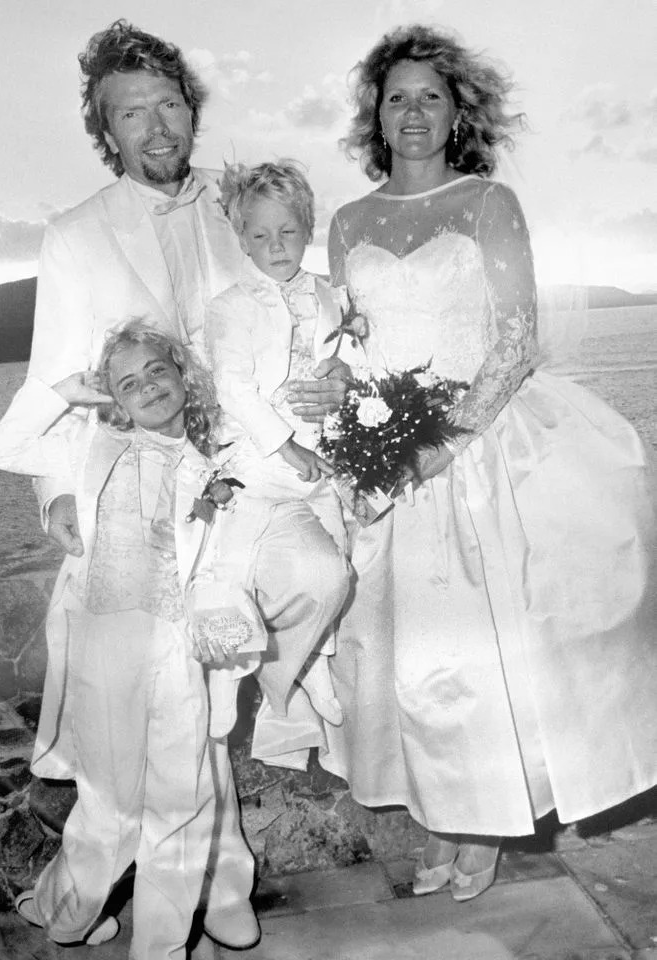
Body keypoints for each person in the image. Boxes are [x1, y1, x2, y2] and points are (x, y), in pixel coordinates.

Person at [22, 20, 346, 952]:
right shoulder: (75, 233)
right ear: (106, 128)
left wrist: (325, 386)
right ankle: (199, 881)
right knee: (154, 704)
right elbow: (50, 374)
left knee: (304, 594)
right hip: (135, 492)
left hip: (241, 476)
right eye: (132, 112)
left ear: (191, 111)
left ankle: (208, 856)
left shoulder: (233, 205)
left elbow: (290, 308)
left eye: (169, 104)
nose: (156, 126)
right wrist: (59, 497)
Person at [322, 23, 657, 903]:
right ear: (376, 114)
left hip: (477, 446)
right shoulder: (347, 221)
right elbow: (343, 348)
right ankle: (442, 820)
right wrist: (355, 438)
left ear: (456, 110)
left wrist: (441, 442)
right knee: (405, 655)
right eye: (396, 96)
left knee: (478, 656)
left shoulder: (485, 202)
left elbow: (513, 341)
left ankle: (489, 830)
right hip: (383, 453)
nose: (413, 112)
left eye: (430, 95)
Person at [0, 321, 242, 958]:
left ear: (183, 372)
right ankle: (64, 916)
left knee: (180, 803)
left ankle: (160, 947)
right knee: (109, 805)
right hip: (104, 645)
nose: (147, 387)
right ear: (113, 399)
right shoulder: (89, 442)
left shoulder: (224, 455)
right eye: (127, 382)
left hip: (179, 647)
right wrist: (66, 392)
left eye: (157, 370)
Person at [204, 160, 354, 765]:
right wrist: (283, 442)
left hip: (321, 455)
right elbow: (233, 387)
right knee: (231, 567)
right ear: (241, 238)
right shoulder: (230, 305)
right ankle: (225, 679)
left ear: (307, 228)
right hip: (258, 459)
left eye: (287, 233)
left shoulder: (329, 294)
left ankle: (311, 658)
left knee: (337, 560)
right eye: (260, 236)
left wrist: (343, 374)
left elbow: (347, 360)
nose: (275, 247)